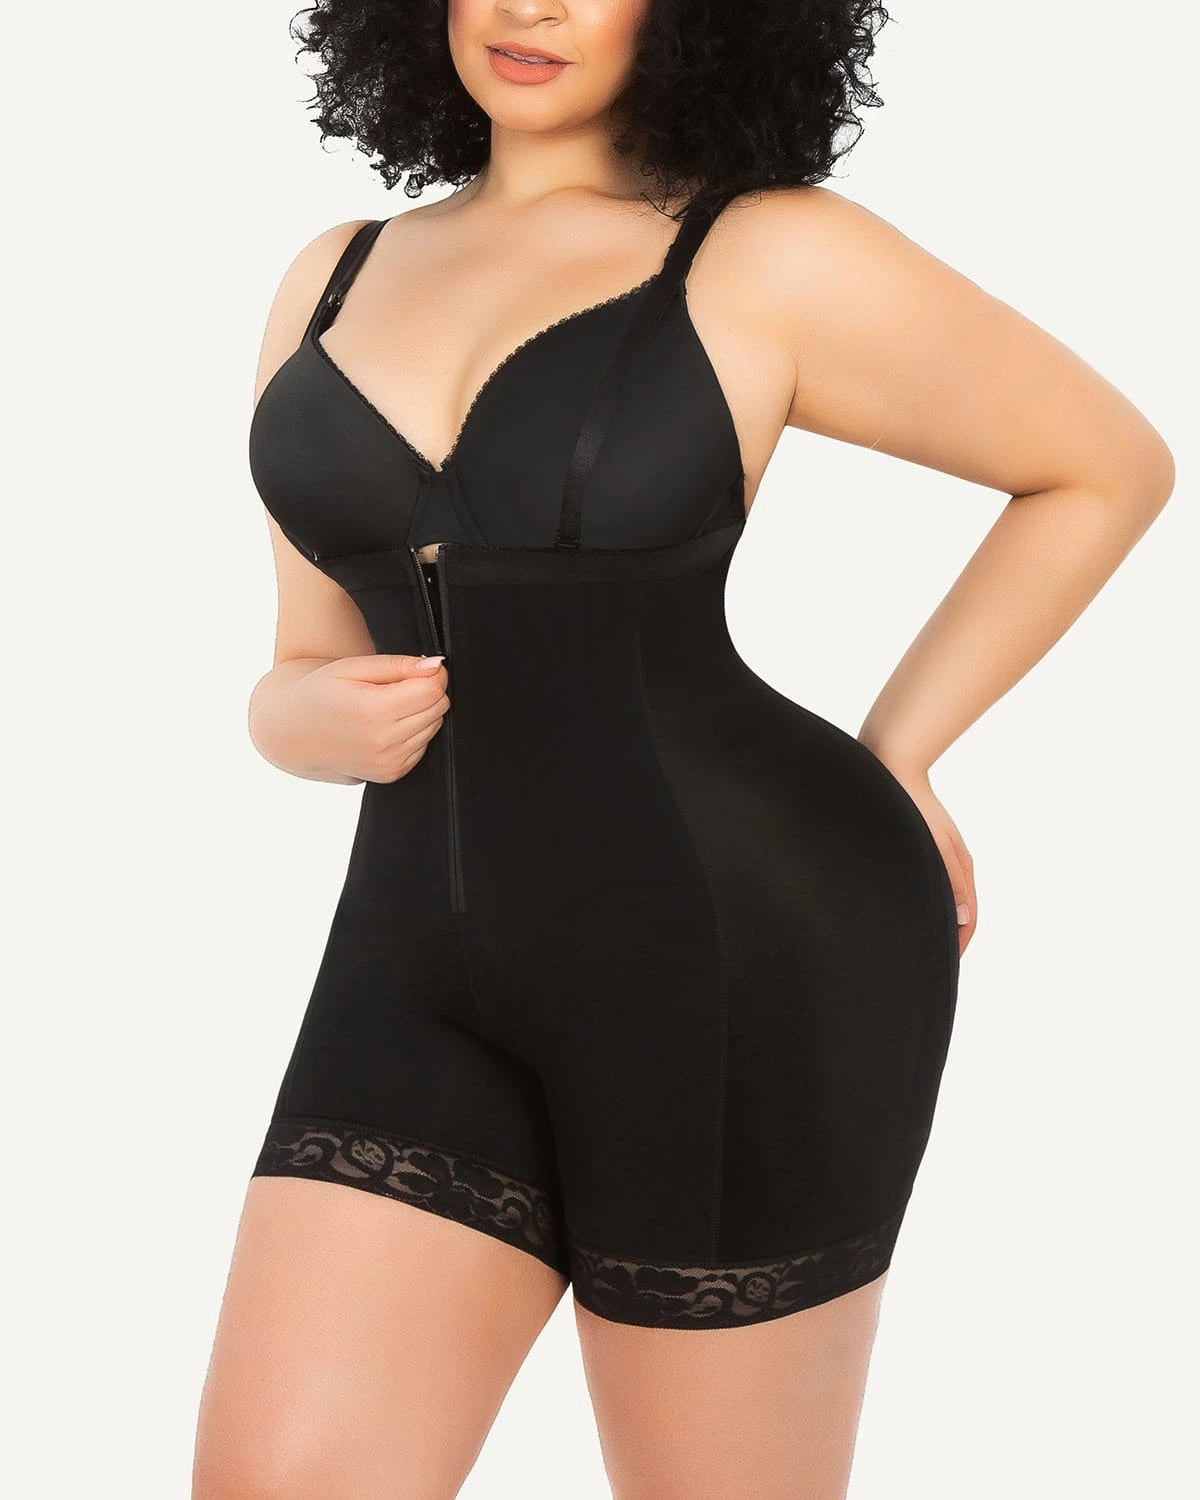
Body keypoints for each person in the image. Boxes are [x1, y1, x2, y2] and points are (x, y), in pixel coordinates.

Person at [192, 3, 1174, 1497]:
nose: (530, 6)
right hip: (414, 966)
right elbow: (299, 663)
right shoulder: (332, 275)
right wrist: (292, 722)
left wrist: (902, 749)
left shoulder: (765, 254)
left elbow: (1103, 466)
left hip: (738, 961)